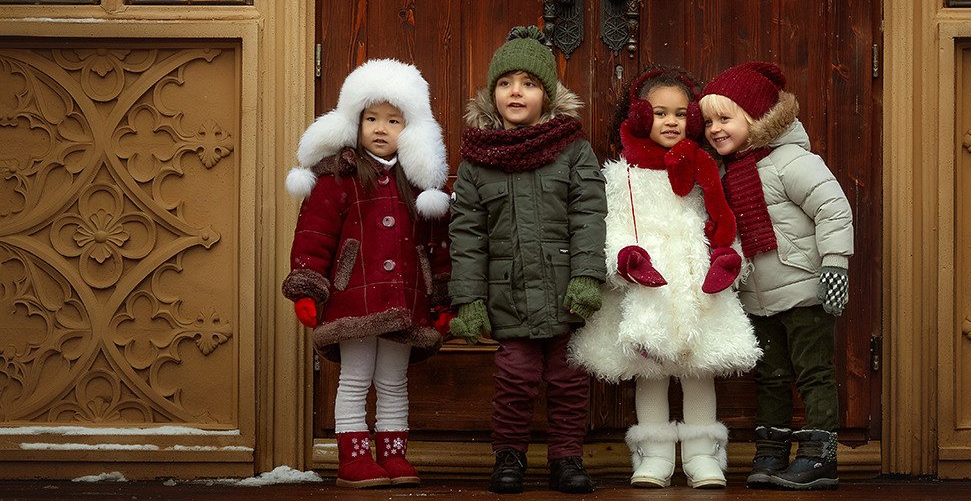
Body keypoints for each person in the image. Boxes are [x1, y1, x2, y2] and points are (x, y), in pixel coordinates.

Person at [569, 67, 761, 489]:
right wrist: (625, 258)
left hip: (697, 287)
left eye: (679, 113)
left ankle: (701, 456)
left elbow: (723, 222)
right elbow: (612, 226)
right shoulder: (622, 175)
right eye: (659, 113)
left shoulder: (703, 170)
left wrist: (728, 260)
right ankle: (654, 456)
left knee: (698, 371)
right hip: (648, 290)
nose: (671, 122)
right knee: (650, 372)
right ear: (639, 116)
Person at [448, 26, 607, 495]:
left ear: (548, 95)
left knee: (568, 381)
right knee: (514, 380)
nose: (516, 91)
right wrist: (468, 300)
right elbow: (467, 235)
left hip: (565, 294)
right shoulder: (478, 160)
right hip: (508, 295)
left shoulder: (573, 149)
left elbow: (590, 216)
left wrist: (587, 278)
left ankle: (566, 459)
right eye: (505, 83)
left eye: (529, 83)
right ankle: (509, 457)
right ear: (492, 93)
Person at [282, 58, 451, 488]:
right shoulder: (338, 177)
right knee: (356, 378)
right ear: (354, 122)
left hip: (404, 299)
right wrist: (308, 288)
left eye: (393, 120)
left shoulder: (421, 186)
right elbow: (314, 235)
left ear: (410, 128)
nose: (380, 128)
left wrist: (443, 296)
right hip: (351, 296)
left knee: (393, 379)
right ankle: (353, 457)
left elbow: (439, 247)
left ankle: (393, 456)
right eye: (371, 118)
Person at [699, 62, 854, 491]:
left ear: (756, 118)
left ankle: (819, 457)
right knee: (770, 377)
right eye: (708, 120)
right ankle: (771, 451)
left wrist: (835, 265)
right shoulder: (726, 173)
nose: (714, 129)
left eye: (725, 118)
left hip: (804, 289)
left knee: (813, 373)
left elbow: (833, 209)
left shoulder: (791, 162)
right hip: (757, 296)